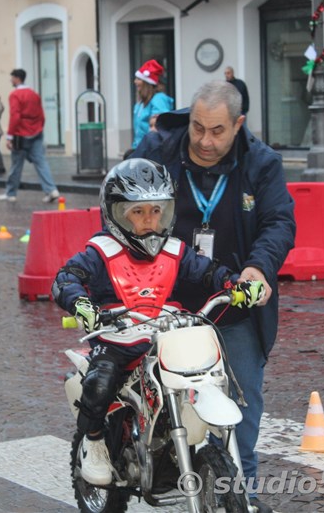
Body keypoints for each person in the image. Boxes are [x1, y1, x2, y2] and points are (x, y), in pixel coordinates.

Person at [131, 80, 296, 513]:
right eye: (198, 128)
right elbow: (122, 202)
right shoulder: (158, 150)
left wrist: (257, 268)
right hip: (166, 300)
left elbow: (278, 222)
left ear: (238, 125)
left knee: (242, 404)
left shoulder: (262, 165)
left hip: (233, 305)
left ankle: (244, 496)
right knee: (147, 389)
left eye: (218, 131)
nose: (205, 141)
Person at [52, 158, 264, 486]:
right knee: (101, 378)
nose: (149, 221)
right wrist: (82, 304)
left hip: (166, 337)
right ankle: (93, 442)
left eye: (156, 211)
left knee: (207, 369)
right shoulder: (100, 251)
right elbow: (67, 277)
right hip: (117, 338)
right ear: (116, 214)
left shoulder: (176, 250)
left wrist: (235, 285)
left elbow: (209, 272)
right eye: (138, 212)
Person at [0, 69, 59, 203]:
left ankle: (11, 193)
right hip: (36, 132)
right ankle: (51, 189)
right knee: (41, 162)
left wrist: (9, 136)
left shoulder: (15, 95)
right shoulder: (34, 94)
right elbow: (41, 115)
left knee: (16, 165)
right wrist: (39, 128)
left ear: (17, 79)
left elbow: (15, 116)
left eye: (12, 78)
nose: (11, 80)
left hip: (20, 134)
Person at [132, 59, 174, 150]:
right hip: (140, 148)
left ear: (147, 82)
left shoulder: (158, 99)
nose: (135, 82)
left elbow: (159, 127)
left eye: (138, 79)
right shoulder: (141, 103)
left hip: (152, 150)